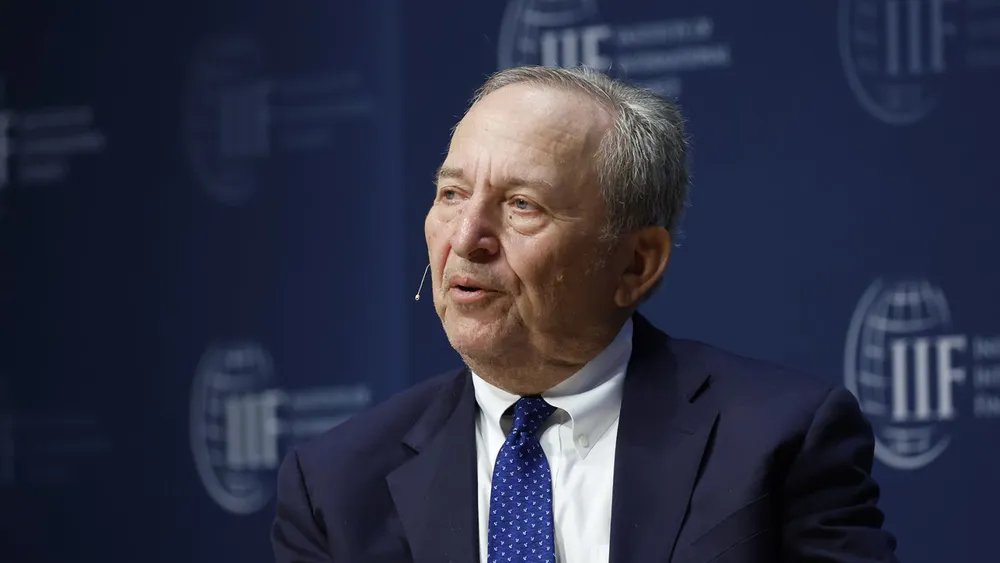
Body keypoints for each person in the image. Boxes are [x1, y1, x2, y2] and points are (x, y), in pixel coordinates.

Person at [270, 65, 899, 563]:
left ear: (636, 265)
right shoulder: (335, 486)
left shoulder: (778, 441)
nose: (465, 238)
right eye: (452, 193)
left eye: (521, 205)